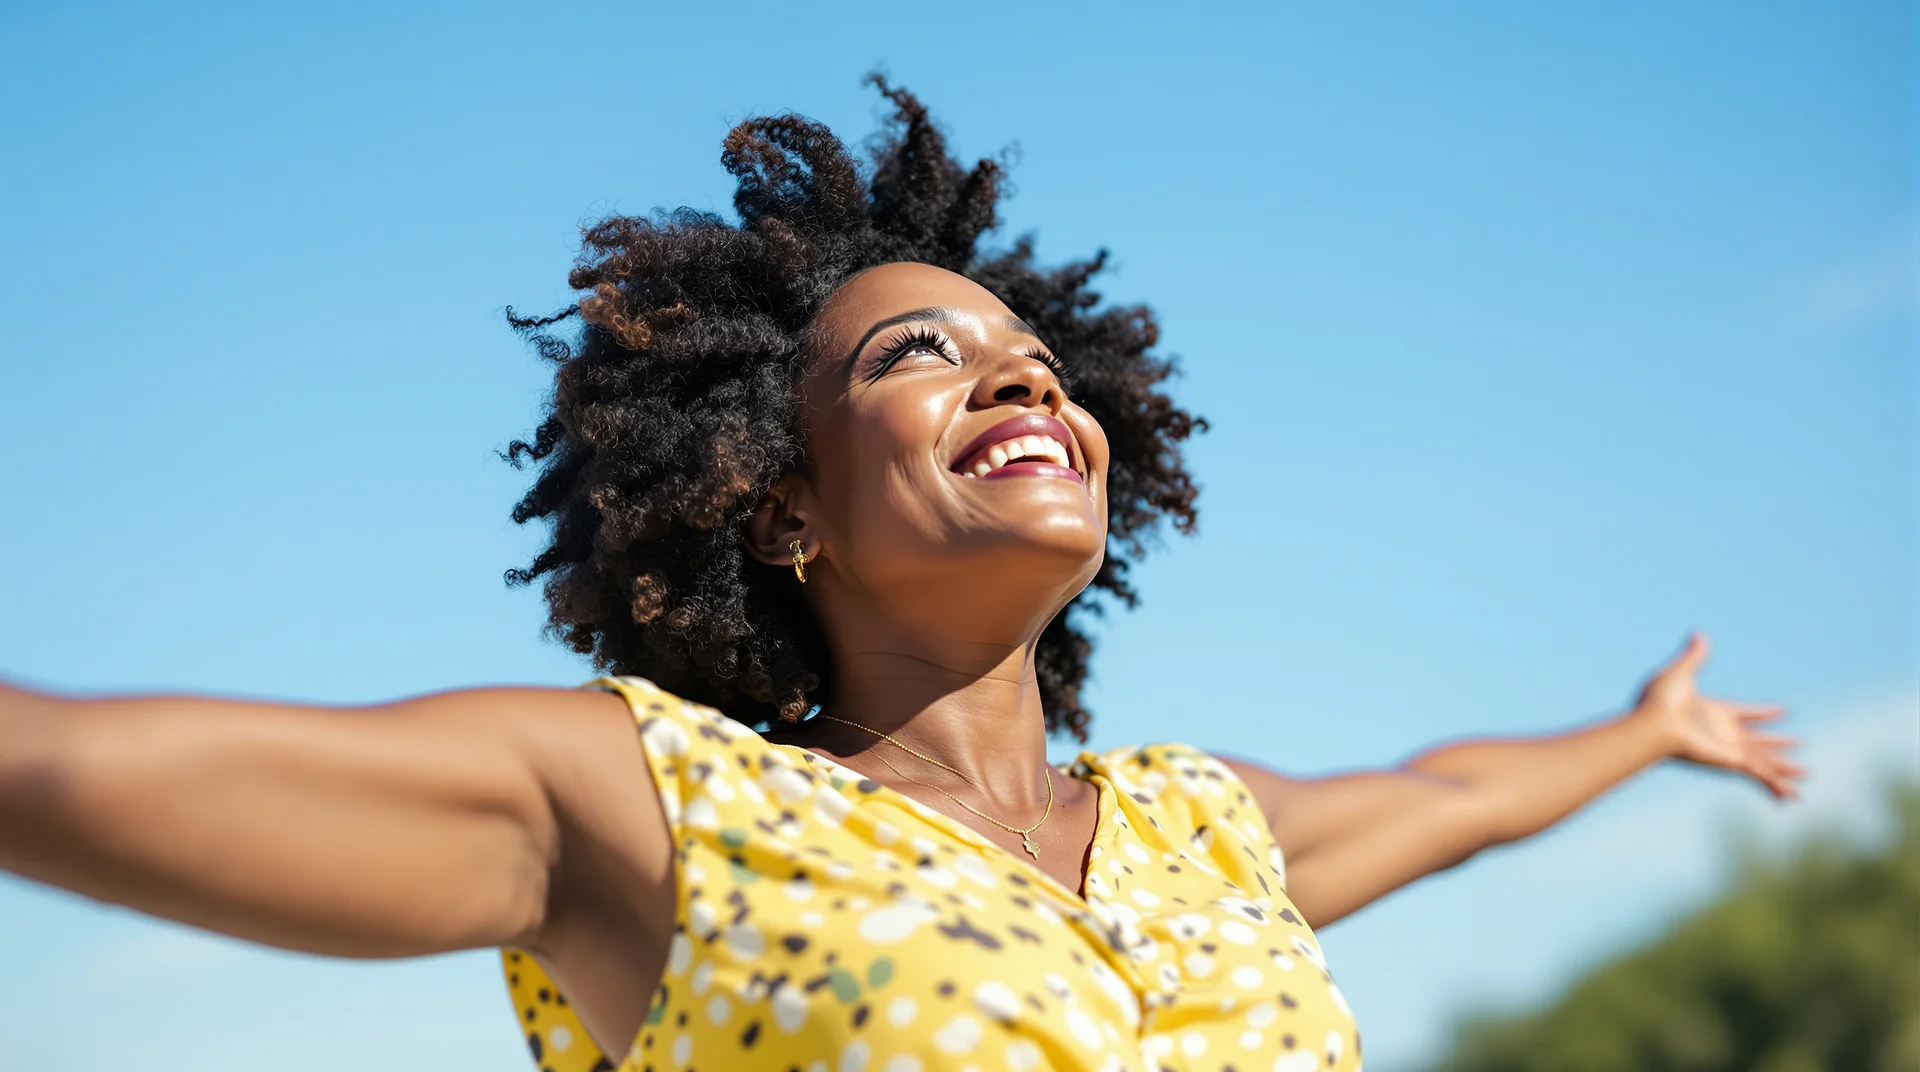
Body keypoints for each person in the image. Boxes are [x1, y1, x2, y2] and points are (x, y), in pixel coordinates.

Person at [0, 78, 1804, 1072]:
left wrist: (1646, 737)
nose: (1022, 375)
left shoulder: (1203, 829)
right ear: (782, 510)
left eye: (1034, 353)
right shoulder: (654, 817)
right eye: (915, 356)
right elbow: (67, 771)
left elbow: (1456, 797)